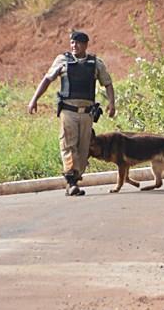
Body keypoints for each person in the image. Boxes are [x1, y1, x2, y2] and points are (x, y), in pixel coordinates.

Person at [27, 30, 116, 196]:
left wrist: (112, 103)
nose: (74, 46)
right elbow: (47, 79)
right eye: (72, 42)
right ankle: (71, 181)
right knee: (68, 145)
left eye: (78, 43)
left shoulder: (96, 63)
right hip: (68, 111)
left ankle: (76, 177)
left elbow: (108, 83)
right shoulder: (62, 61)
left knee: (83, 149)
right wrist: (34, 100)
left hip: (87, 114)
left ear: (86, 45)